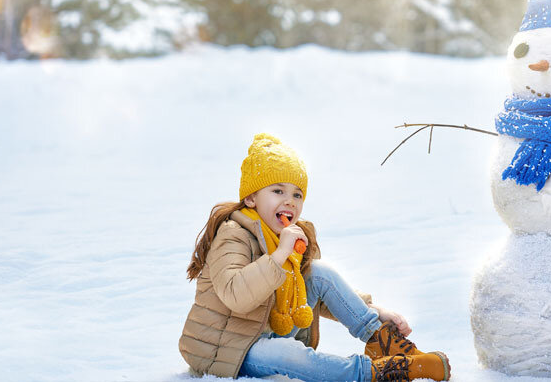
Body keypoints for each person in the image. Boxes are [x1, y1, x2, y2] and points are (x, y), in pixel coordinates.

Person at [179, 133, 451, 381]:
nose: (290, 201)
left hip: (267, 331)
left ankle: (381, 341)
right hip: (229, 350)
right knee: (290, 355)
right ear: (251, 199)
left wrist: (375, 311)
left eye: (297, 194)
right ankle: (377, 372)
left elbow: (319, 294)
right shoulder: (233, 234)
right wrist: (279, 255)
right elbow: (235, 294)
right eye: (278, 191)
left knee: (318, 272)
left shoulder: (290, 236)